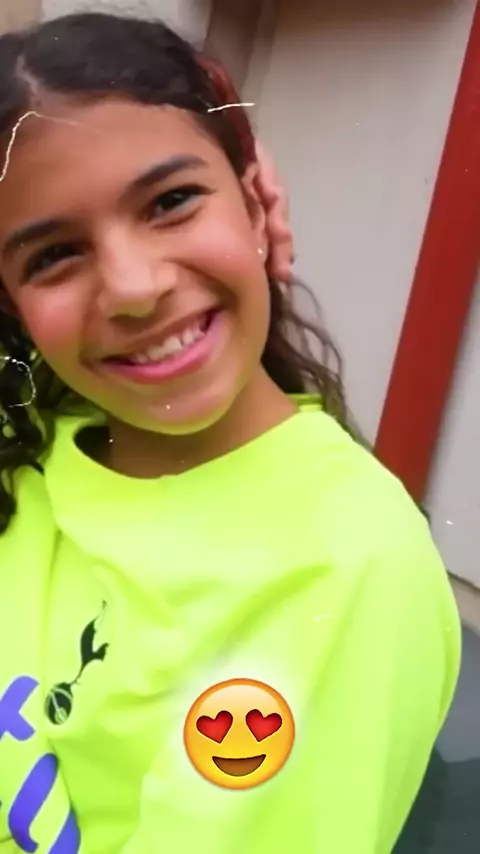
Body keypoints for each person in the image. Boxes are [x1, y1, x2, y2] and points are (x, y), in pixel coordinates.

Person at [0, 12, 460, 854]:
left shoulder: (340, 565)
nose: (134, 287)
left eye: (171, 201)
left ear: (257, 206)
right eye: (54, 255)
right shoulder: (29, 443)